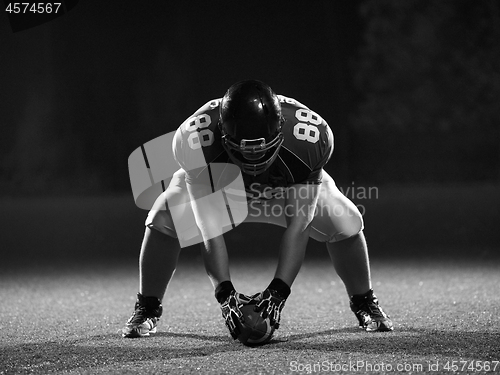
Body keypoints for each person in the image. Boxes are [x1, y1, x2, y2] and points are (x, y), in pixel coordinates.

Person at [122, 79, 393, 339]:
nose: (254, 160)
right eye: (244, 150)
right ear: (222, 133)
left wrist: (278, 292)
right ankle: (147, 307)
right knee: (163, 217)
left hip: (284, 190)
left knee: (345, 220)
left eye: (262, 151)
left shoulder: (308, 138)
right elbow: (208, 229)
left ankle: (364, 301)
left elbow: (299, 225)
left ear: (281, 130)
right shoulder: (196, 139)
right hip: (223, 194)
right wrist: (224, 294)